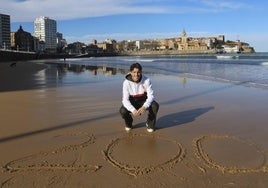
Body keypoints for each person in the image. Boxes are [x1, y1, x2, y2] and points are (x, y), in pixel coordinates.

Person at [119, 63, 159, 132]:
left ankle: (149, 123)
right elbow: (125, 100)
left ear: (141, 72)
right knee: (122, 111)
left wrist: (144, 106)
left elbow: (151, 96)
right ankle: (129, 122)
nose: (136, 74)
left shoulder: (147, 80)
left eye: (138, 72)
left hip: (143, 100)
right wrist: (132, 110)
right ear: (131, 72)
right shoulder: (126, 83)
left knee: (155, 106)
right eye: (134, 72)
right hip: (132, 100)